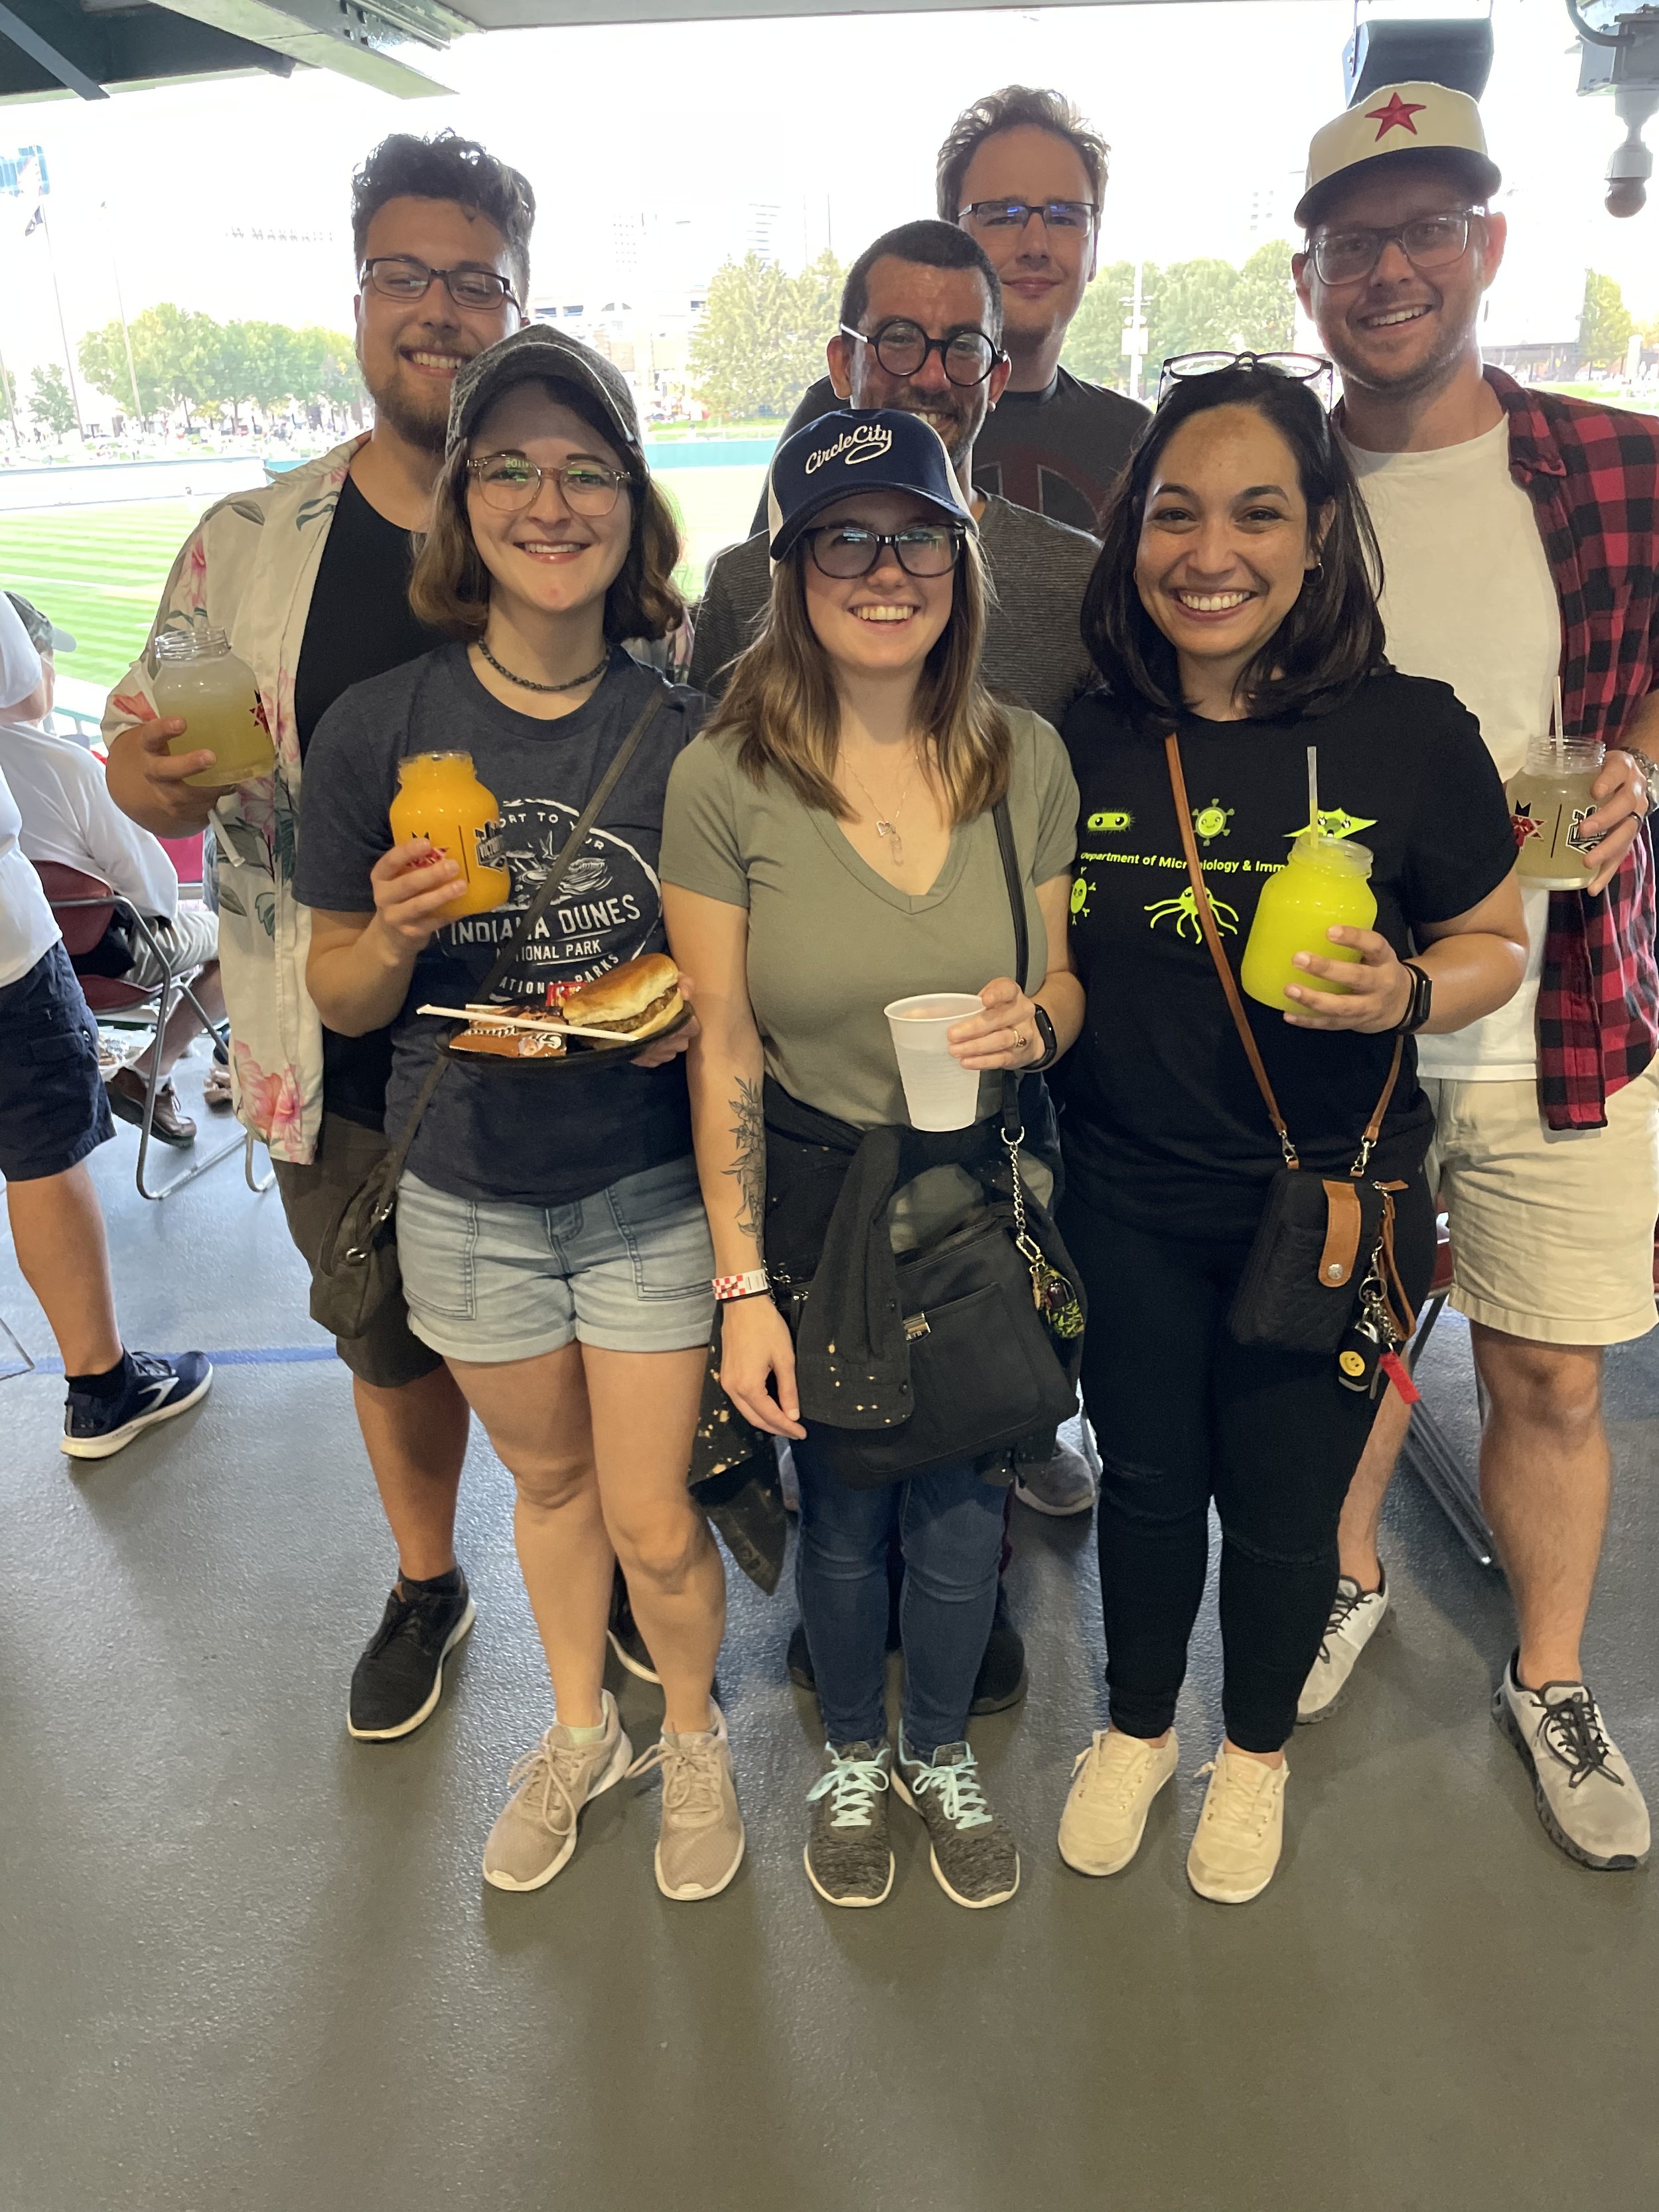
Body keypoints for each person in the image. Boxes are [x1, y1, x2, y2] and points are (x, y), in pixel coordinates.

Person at [1054, 362, 1526, 1903]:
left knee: (1280, 1505)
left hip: (1322, 1203)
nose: (1213, 552)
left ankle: (1249, 1750)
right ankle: (1134, 1728)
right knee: (1139, 1478)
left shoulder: (1407, 733)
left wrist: (1406, 990)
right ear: (1133, 537)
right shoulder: (1090, 733)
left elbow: (1494, 943)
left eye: (1259, 513)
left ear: (1320, 533)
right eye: (1175, 514)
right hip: (1123, 1191)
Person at [297, 327, 744, 1903]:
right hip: (463, 1190)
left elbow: (723, 991)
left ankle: (690, 1734)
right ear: (461, 503)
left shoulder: (689, 738)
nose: (549, 502)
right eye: (511, 468)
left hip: (641, 1191)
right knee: (547, 1493)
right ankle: (578, 1730)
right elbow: (345, 999)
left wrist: (680, 1013)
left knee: (649, 1510)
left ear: (630, 504)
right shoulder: (376, 728)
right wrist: (402, 929)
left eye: (586, 469)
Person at [102, 132, 531, 1744]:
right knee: (384, 1327)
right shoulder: (250, 539)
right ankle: (429, 1578)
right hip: (332, 1028)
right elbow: (147, 747)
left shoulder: (566, 519)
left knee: (590, 1319)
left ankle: (613, 1555)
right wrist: (145, 772)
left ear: (516, 304)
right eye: (405, 276)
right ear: (360, 300)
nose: (440, 310)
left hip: (556, 1027)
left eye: (473, 279)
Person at [1292, 85, 1658, 1871]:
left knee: (1551, 1379)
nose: (1390, 271)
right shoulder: (1267, 486)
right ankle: (1342, 1576)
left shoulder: (1611, 463)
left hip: (1559, 1010)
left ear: (1485, 250)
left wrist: (1640, 766)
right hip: (1335, 1017)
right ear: (1308, 279)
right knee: (1341, 1353)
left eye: (1425, 232)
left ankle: (1547, 1673)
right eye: (1355, 242)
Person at [663, 408, 1084, 1909]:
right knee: (844, 1510)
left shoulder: (1022, 756)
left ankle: (934, 1748)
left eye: (919, 537)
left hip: (974, 1195)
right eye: (847, 537)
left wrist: (1033, 1021)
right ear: (793, 569)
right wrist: (741, 1291)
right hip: (820, 1201)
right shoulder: (724, 780)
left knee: (968, 1509)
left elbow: (1064, 978)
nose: (885, 569)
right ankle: (851, 1749)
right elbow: (719, 1044)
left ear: (961, 566)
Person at [698, 220, 1100, 734]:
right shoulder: (745, 583)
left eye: (963, 345)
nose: (932, 377)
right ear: (843, 365)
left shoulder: (1079, 580)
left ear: (996, 378)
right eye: (900, 339)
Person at [0, 594, 210, 1458]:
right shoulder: (58, 761)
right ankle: (100, 1386)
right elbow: (156, 895)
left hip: (50, 941)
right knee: (43, 1156)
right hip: (32, 951)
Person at [759, 86, 1147, 534]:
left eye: (1066, 216)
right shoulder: (843, 414)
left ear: (1095, 247)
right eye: (1003, 214)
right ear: (951, 237)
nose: (1036, 246)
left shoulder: (1133, 437)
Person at [0, 591, 229, 1146]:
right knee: (238, 941)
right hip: (96, 963)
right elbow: (158, 894)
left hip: (37, 970)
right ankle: (154, 1070)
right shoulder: (68, 765)